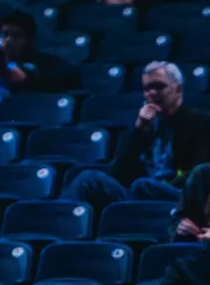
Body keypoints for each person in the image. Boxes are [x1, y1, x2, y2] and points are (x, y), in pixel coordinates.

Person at [68, 63, 210, 210]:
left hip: (179, 194)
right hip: (139, 191)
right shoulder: (141, 127)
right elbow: (119, 174)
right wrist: (139, 131)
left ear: (178, 90)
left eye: (159, 86)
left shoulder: (200, 122)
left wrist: (164, 186)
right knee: (87, 179)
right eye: (147, 89)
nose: (152, 93)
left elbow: (200, 172)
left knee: (142, 185)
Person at [0, 9, 78, 96]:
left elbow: (62, 79)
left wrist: (27, 79)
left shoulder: (46, 63)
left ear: (29, 40)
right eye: (5, 35)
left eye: (16, 36)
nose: (8, 41)